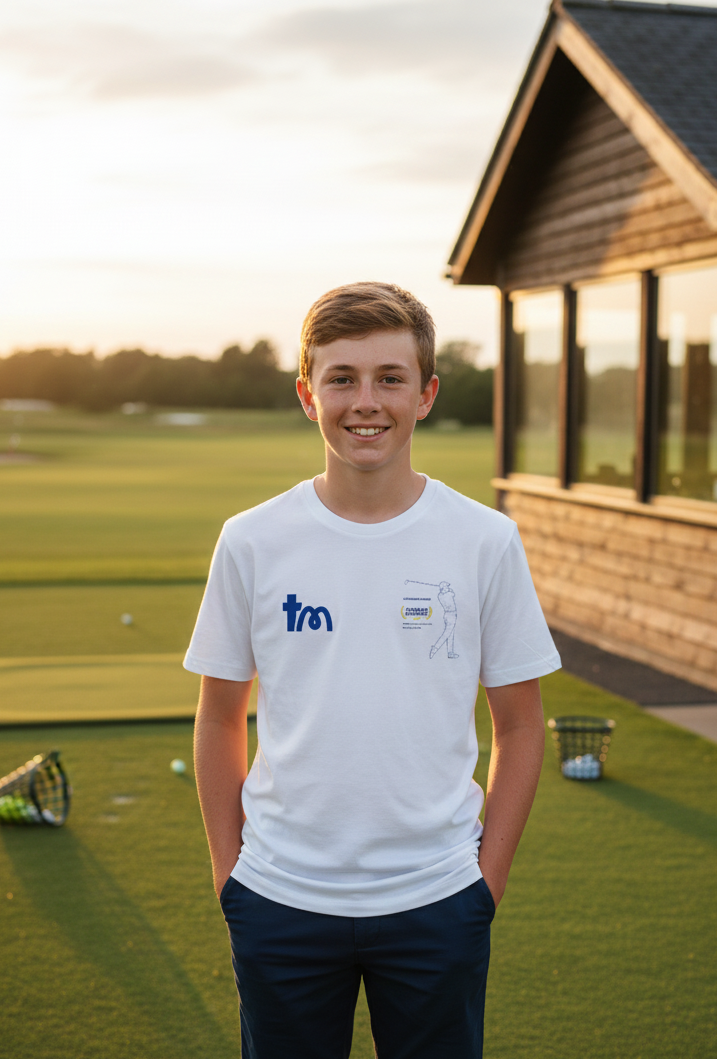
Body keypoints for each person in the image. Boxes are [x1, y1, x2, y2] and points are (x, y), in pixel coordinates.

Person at [185, 281, 560, 1059]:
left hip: (438, 899)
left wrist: (483, 884)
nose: (366, 402)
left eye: (390, 378)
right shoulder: (251, 540)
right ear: (306, 392)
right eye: (342, 378)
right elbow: (220, 715)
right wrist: (233, 876)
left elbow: (521, 725)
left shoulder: (484, 540)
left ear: (425, 393)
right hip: (281, 900)